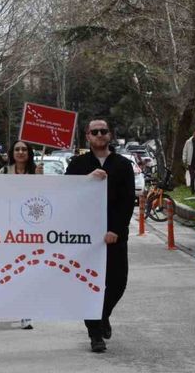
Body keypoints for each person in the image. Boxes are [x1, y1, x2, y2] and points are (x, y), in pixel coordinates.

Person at [65, 119, 136, 353]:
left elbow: (127, 202)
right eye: (94, 132)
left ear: (110, 135)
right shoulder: (77, 164)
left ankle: (102, 315)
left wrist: (115, 230)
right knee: (88, 284)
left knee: (117, 282)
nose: (99, 135)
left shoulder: (123, 165)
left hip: (114, 235)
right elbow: (66, 193)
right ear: (87, 136)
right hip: (85, 236)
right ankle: (95, 334)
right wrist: (87, 179)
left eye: (103, 131)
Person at [0, 140, 42, 330]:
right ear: (11, 152)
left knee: (28, 271)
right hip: (8, 230)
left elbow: (47, 196)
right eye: (17, 149)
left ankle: (27, 312)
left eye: (24, 149)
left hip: (31, 229)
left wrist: (41, 179)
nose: (21, 152)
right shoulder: (4, 172)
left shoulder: (37, 171)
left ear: (29, 152)